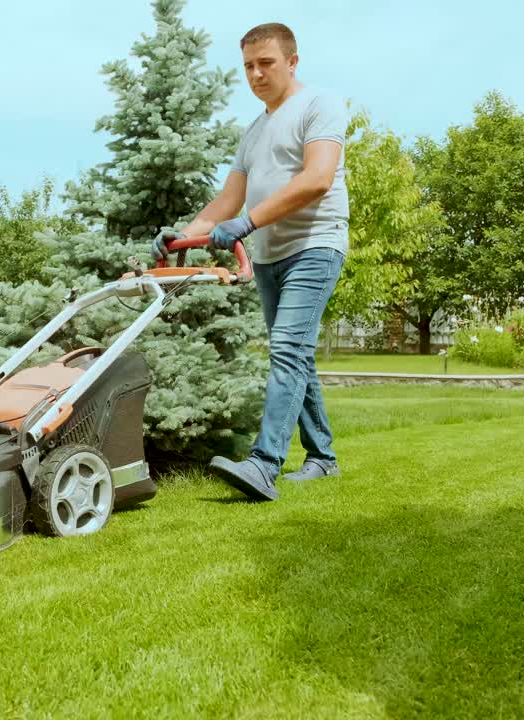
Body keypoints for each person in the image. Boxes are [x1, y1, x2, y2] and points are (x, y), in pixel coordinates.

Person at [152, 22, 349, 502]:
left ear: (292, 62)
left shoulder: (319, 104)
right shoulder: (254, 130)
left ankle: (264, 465)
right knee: (296, 354)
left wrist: (248, 223)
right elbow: (229, 198)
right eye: (248, 67)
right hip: (269, 257)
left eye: (267, 64)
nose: (256, 74)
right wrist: (188, 231)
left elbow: (318, 178)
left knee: (286, 350)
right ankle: (323, 457)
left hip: (315, 245)